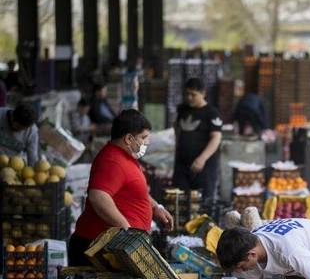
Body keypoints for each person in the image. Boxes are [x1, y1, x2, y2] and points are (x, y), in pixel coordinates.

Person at [69, 110, 174, 267]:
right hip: (97, 249)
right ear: (128, 138)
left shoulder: (126, 156)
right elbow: (98, 196)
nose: (147, 142)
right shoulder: (112, 161)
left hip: (114, 247)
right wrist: (127, 230)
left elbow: (135, 190)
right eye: (143, 137)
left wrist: (155, 207)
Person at [173, 77, 223, 200]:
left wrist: (202, 159)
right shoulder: (183, 109)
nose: (189, 97)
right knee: (180, 200)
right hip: (182, 165)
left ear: (203, 94)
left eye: (193, 94)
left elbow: (216, 138)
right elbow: (177, 129)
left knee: (203, 203)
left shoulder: (212, 113)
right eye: (187, 94)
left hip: (204, 167)